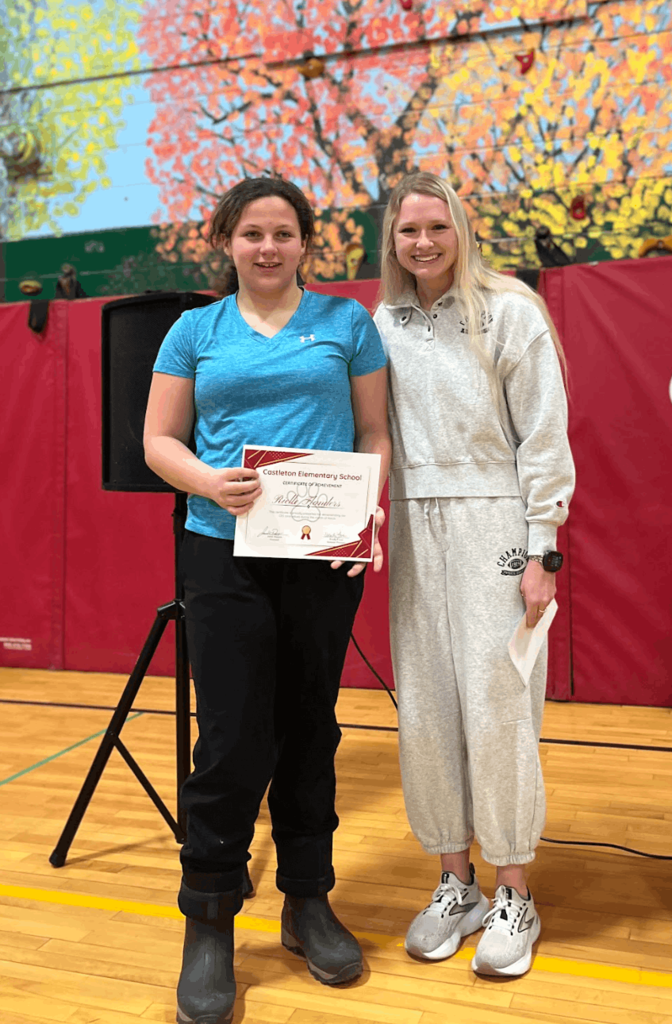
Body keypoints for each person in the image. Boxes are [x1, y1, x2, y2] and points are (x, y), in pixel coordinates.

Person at [143, 176, 390, 1023]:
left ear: (304, 243)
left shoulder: (346, 324)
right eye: (252, 233)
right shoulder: (193, 331)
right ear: (228, 242)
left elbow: (373, 433)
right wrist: (211, 481)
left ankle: (307, 900)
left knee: (310, 724)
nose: (268, 247)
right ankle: (208, 921)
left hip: (321, 557)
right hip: (222, 550)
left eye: (283, 233)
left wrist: (369, 509)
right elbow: (157, 441)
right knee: (231, 735)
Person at [373, 172, 574, 978]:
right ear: (390, 242)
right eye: (406, 231)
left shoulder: (509, 312)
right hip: (415, 526)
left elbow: (544, 437)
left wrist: (541, 550)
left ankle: (512, 891)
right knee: (424, 710)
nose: (421, 242)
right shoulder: (379, 323)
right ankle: (453, 880)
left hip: (495, 523)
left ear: (459, 228)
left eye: (434, 227)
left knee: (497, 712)